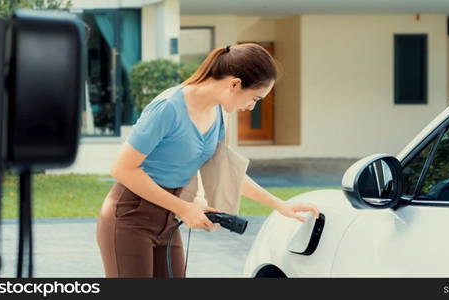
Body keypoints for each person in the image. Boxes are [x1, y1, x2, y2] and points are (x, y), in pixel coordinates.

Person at [96, 44, 320, 278]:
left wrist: (280, 205)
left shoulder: (219, 115)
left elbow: (227, 173)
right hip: (129, 216)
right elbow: (122, 169)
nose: (251, 107)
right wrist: (184, 208)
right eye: (255, 98)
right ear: (234, 84)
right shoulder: (168, 108)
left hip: (169, 219)